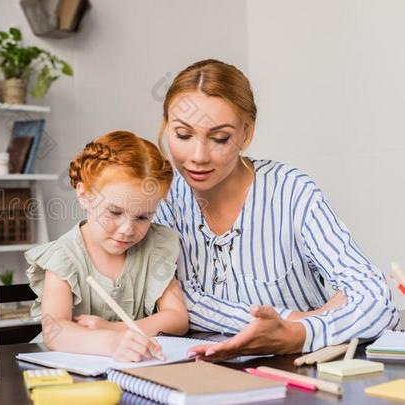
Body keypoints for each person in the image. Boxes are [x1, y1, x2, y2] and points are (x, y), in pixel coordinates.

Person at [154, 59, 399, 359]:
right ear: (166, 127)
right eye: (183, 135)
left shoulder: (291, 191)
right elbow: (182, 304)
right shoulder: (161, 199)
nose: (198, 156)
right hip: (207, 375)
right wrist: (297, 319)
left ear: (247, 133)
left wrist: (299, 335)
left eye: (220, 138)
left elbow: (375, 297)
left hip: (306, 369)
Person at [25, 130, 189, 362]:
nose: (127, 230)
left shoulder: (154, 247)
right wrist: (110, 342)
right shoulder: (64, 256)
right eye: (114, 212)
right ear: (84, 195)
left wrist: (117, 329)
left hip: (131, 372)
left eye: (143, 217)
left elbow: (177, 318)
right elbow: (55, 331)